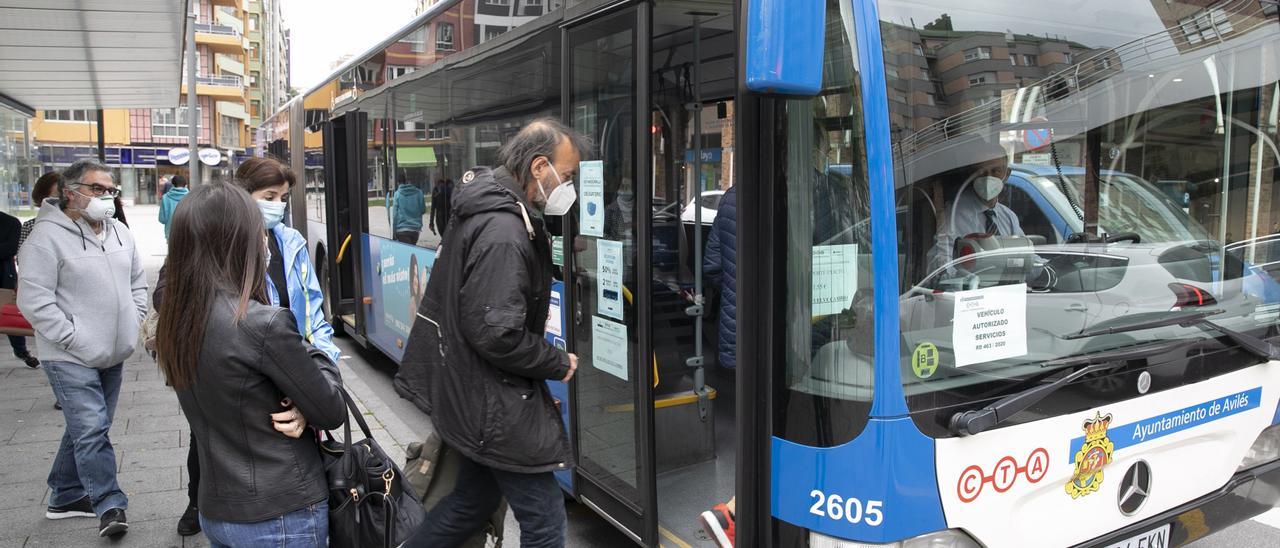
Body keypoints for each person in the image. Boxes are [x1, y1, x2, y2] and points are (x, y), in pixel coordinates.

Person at [397, 119, 587, 548]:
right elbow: (495, 333)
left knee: (470, 502)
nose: (568, 185)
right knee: (545, 522)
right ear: (541, 167)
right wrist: (558, 361)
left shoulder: (492, 209)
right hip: (496, 405)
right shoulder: (504, 230)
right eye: (568, 174)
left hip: (475, 395)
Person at [155, 156, 341, 536]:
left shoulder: (180, 315)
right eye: (256, 229)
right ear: (234, 237)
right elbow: (330, 409)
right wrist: (316, 362)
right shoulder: (261, 322)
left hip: (219, 509)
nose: (265, 237)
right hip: (280, 510)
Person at [17, 160, 147, 539]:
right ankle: (109, 504)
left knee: (87, 426)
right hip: (68, 355)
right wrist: (75, 337)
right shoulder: (45, 238)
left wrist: (134, 320)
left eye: (111, 190)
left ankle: (64, 493)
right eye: (97, 189)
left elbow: (137, 282)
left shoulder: (120, 232)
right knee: (91, 429)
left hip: (114, 350)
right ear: (70, 191)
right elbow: (34, 302)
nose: (106, 196)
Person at [926, 142, 1024, 273]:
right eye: (981, 171)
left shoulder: (1009, 217)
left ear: (1007, 174)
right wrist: (964, 279)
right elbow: (941, 264)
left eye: (996, 171)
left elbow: (1025, 256)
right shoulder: (953, 214)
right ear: (970, 175)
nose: (988, 178)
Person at [0, 210, 37, 369]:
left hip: (3, 276)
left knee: (8, 313)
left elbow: (10, 249)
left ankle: (21, 350)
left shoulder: (11, 223)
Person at [391, 179, 427, 244]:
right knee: (411, 251)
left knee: (406, 252)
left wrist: (394, 231)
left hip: (401, 229)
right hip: (415, 229)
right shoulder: (419, 192)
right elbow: (423, 210)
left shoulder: (397, 194)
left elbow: (395, 215)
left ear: (398, 183)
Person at [158, 174, 189, 238]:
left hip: (171, 234)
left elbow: (162, 219)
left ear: (172, 184)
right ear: (185, 185)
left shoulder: (165, 198)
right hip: (187, 233)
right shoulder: (191, 196)